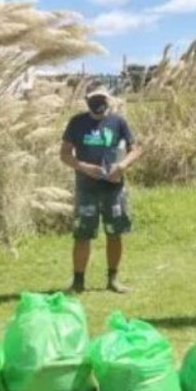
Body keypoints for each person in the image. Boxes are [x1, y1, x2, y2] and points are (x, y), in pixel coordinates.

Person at [59, 83, 141, 294]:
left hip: (113, 188)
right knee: (82, 235)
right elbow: (65, 154)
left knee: (115, 233)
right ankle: (78, 282)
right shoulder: (76, 123)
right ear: (87, 101)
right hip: (86, 188)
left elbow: (136, 149)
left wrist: (122, 166)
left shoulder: (118, 122)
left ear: (108, 100)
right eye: (94, 100)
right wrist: (83, 166)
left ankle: (113, 279)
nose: (99, 104)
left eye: (102, 99)